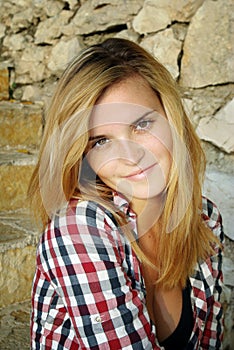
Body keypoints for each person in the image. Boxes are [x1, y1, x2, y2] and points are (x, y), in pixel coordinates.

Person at [28, 38, 224, 349]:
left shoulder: (205, 218)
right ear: (82, 156)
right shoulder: (80, 232)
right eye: (100, 141)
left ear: (172, 118)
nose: (129, 156)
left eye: (142, 124)